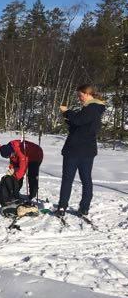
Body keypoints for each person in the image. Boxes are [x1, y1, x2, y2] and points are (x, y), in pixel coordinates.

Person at [56, 84, 106, 217]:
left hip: (76, 150)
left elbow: (78, 120)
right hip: (86, 150)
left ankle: (64, 207)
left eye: (80, 95)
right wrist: (68, 118)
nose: (79, 98)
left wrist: (67, 111)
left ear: (88, 93)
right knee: (85, 180)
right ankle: (82, 207)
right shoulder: (93, 109)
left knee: (69, 179)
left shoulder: (92, 108)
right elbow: (78, 126)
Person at [0, 140, 44, 205]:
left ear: (11, 151)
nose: (9, 157)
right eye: (7, 157)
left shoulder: (20, 151)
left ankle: (32, 195)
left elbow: (22, 169)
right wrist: (12, 170)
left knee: (32, 175)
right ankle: (15, 192)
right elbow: (13, 161)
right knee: (15, 174)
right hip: (24, 155)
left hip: (35, 155)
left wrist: (15, 178)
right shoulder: (10, 149)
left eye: (9, 156)